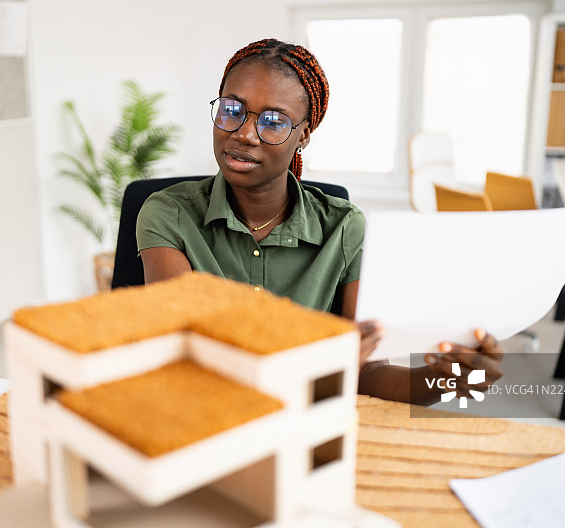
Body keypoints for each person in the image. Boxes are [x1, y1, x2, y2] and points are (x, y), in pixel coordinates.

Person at [136, 38, 502, 405]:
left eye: (274, 121)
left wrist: (446, 380)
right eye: (233, 109)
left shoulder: (345, 229)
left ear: (304, 135)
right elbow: (184, 353)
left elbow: (368, 372)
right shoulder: (169, 213)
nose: (244, 133)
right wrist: (323, 365)